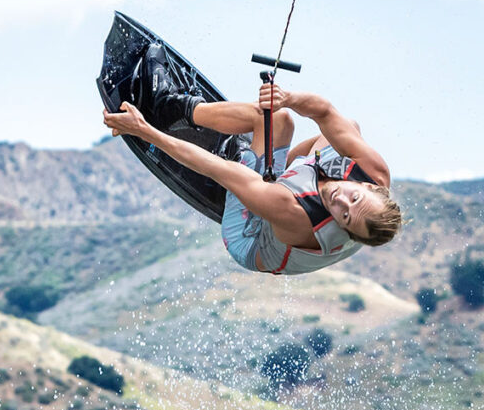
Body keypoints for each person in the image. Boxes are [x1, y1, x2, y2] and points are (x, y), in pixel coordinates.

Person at [101, 82, 402, 275]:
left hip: (251, 237)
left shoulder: (295, 214)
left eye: (345, 216)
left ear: (344, 229)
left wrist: (144, 130)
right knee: (344, 127)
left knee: (273, 121)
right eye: (354, 198)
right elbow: (324, 112)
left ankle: (169, 107)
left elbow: (215, 168)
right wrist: (287, 97)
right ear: (369, 185)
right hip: (283, 198)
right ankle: (261, 161)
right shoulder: (375, 171)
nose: (340, 201)